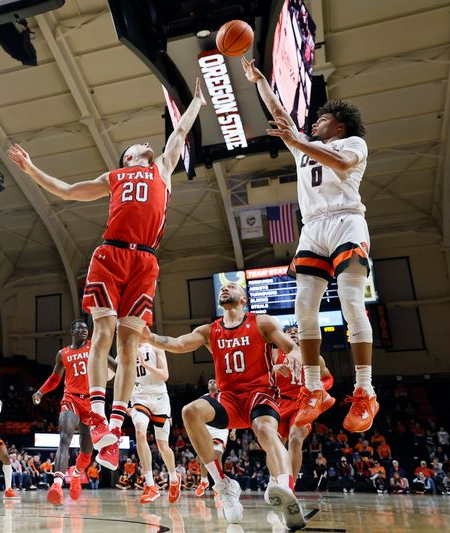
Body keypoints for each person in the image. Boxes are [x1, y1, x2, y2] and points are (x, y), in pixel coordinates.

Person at [8, 78, 207, 470]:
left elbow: (180, 132)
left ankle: (113, 428)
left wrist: (197, 102)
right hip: (111, 254)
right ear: (127, 159)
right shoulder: (112, 178)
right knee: (103, 332)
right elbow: (64, 190)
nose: (143, 143)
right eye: (135, 146)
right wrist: (31, 169)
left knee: (130, 344)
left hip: (145, 260)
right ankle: (97, 417)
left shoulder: (164, 169)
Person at [242, 56, 378, 433]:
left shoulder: (354, 143)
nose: (315, 123)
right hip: (312, 228)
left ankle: (365, 390)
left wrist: (296, 141)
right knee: (303, 309)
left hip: (346, 220)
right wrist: (258, 80)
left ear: (340, 123)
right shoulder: (302, 144)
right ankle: (315, 389)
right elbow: (278, 111)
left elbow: (343, 165)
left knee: (351, 302)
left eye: (322, 119)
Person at [144, 282, 305, 529]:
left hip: (258, 394)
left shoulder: (262, 322)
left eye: (232, 286)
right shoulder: (211, 330)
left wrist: (294, 352)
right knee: (190, 411)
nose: (224, 288)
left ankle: (285, 489)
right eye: (223, 287)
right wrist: (151, 338)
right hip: (228, 398)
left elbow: (291, 347)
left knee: (266, 430)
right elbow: (178, 344)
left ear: (243, 299)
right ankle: (223, 484)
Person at [32, 320, 98, 504]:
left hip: (91, 402)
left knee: (86, 452)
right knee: (64, 438)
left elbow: (111, 364)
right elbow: (55, 378)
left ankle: (76, 474)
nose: (84, 331)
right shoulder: (63, 353)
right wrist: (40, 391)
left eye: (86, 329)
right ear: (72, 331)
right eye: (80, 328)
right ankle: (57, 485)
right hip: (71, 399)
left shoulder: (93, 347)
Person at [273, 324, 333, 490]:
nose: (292, 334)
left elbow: (328, 378)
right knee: (275, 445)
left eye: (296, 332)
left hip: (302, 404)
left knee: (295, 439)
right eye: (288, 332)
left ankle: (290, 487)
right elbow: (259, 376)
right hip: (279, 403)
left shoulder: (313, 357)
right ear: (282, 336)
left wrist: (321, 388)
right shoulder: (273, 354)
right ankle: (276, 480)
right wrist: (273, 368)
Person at [130, 342, 181, 504]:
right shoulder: (125, 349)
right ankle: (150, 485)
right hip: (139, 398)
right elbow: (116, 377)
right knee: (139, 433)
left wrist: (145, 364)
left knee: (163, 446)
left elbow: (165, 375)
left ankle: (174, 478)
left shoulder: (156, 347)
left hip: (160, 398)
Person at [193, 379, 232, 497]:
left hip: (220, 428)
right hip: (207, 428)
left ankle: (219, 484)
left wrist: (234, 429)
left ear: (219, 384)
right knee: (204, 457)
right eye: (209, 381)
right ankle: (204, 481)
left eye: (214, 381)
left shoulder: (224, 396)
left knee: (217, 455)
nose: (211, 382)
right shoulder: (202, 398)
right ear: (207, 386)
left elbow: (231, 412)